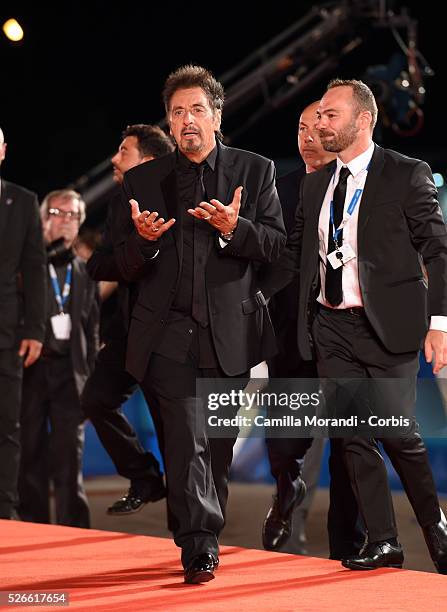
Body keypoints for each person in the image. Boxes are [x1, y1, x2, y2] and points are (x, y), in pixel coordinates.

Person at [261, 79, 447, 573]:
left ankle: (435, 525)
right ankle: (385, 540)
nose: (319, 123)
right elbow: (295, 257)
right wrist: (244, 263)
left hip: (388, 329)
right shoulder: (315, 183)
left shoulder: (407, 174)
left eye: (329, 115)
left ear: (363, 120)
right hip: (331, 329)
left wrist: (440, 323)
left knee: (396, 432)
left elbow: (437, 250)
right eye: (318, 115)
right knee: (352, 436)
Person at [112, 64, 286, 583]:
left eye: (195, 110)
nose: (186, 120)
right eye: (176, 112)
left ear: (217, 114)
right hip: (167, 335)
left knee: (216, 447)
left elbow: (278, 247)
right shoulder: (142, 180)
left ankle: (201, 528)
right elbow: (118, 262)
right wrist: (142, 242)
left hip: (230, 335)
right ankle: (199, 544)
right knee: (186, 439)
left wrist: (236, 228)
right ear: (168, 123)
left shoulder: (255, 172)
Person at [263, 101, 346, 555]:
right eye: (301, 126)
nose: (309, 134)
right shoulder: (278, 190)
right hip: (289, 338)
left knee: (352, 449)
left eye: (320, 125)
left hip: (347, 336)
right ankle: (288, 536)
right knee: (288, 444)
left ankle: (349, 545)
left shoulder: (359, 189)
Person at [82, 124, 175, 515]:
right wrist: (134, 255)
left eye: (124, 151)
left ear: (148, 161)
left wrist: (129, 259)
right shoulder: (121, 202)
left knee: (172, 430)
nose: (114, 159)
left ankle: (187, 531)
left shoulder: (178, 197)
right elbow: (98, 263)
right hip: (125, 329)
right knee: (96, 399)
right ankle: (144, 476)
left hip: (167, 333)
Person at [18, 189, 99, 527]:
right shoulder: (24, 264)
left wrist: (92, 384)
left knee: (70, 454)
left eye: (72, 216)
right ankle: (32, 526)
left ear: (80, 224)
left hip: (70, 371)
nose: (65, 221)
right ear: (42, 219)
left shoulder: (84, 271)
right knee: (29, 450)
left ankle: (74, 529)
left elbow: (91, 329)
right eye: (57, 213)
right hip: (30, 368)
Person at [0, 126, 46, 520]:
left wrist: (35, 330)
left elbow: (34, 268)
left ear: (3, 151)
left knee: (6, 427)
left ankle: (5, 510)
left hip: (7, 335)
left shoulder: (23, 201)